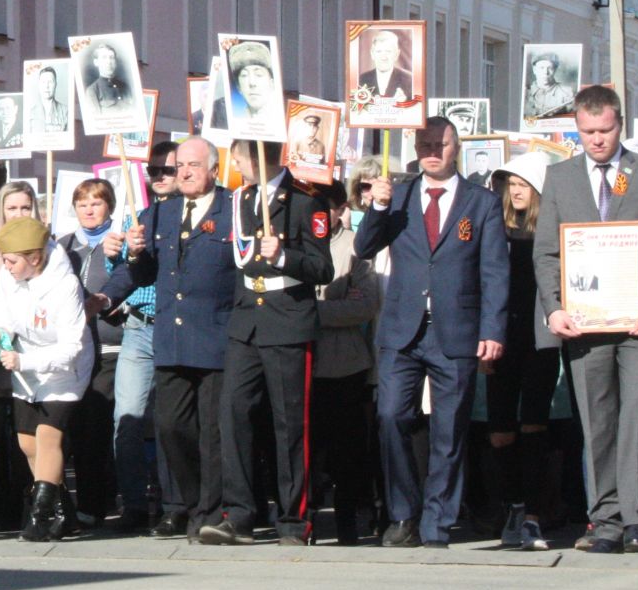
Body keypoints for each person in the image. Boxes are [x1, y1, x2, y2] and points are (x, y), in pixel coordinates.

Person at [534, 84, 638, 553]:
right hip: (586, 325)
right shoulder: (560, 177)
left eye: (605, 130)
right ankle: (606, 520)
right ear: (576, 130)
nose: (597, 140)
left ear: (621, 124)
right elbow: (546, 253)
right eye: (587, 132)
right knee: (598, 420)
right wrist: (554, 308)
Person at [356, 116, 508, 548]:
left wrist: (492, 329)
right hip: (402, 329)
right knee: (390, 417)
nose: (432, 150)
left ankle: (436, 520)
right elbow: (365, 247)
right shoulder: (398, 194)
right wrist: (379, 207)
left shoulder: (481, 202)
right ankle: (403, 513)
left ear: (455, 147)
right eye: (424, 143)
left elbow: (495, 271)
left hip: (456, 331)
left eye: (440, 143)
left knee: (449, 430)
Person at [101, 138, 235, 542]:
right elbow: (142, 274)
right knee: (170, 426)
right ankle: (186, 502)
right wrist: (129, 264)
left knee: (210, 432)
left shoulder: (234, 208)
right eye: (180, 166)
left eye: (194, 165)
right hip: (171, 336)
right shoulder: (159, 213)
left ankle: (207, 513)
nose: (185, 172)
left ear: (213, 169)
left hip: (215, 334)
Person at [208, 139, 333, 544]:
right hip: (247, 320)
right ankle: (239, 513)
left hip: (287, 318)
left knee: (289, 423)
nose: (237, 165)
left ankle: (295, 520)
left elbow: (322, 268)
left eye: (240, 157)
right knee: (234, 414)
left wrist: (283, 256)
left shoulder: (304, 200)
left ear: (260, 157)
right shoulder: (240, 199)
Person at [0, 213, 92, 541]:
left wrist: (26, 360)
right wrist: (0, 334)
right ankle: (65, 512)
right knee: (27, 443)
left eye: (13, 261)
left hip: (62, 370)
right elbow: (5, 312)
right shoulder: (9, 276)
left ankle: (41, 514)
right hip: (25, 367)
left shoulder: (65, 286)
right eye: (4, 260)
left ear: (35, 258)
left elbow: (71, 346)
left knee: (48, 438)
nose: (7, 267)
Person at [485, 151, 557, 551]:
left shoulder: (549, 232)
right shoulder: (496, 231)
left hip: (539, 339)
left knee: (533, 424)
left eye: (522, 185)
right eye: (510, 184)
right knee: (499, 430)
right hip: (500, 338)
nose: (515, 192)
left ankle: (532, 513)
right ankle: (511, 504)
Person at [310, 181, 379, 545]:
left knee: (347, 453)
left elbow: (365, 304)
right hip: (301, 362)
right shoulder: (294, 239)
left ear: (340, 209)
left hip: (344, 364)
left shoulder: (355, 246)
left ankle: (348, 521)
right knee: (306, 451)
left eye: (326, 208)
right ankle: (303, 519)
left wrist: (314, 311)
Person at [61, 178, 120, 528]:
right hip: (75, 349)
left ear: (109, 206)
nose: (88, 209)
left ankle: (98, 500)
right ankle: (86, 500)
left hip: (110, 347)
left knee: (100, 426)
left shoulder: (118, 242)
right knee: (80, 427)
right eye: (82, 203)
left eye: (95, 203)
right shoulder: (65, 245)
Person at [226, 41, 280, 134]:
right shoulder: (236, 123)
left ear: (272, 84)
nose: (252, 83)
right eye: (244, 75)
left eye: (258, 74)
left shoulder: (280, 123)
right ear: (239, 87)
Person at [361, 27, 418, 106]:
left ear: (396, 54)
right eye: (379, 51)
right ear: (372, 54)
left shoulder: (410, 80)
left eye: (388, 51)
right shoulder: (361, 80)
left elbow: (416, 110)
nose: (383, 57)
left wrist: (403, 104)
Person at [83, 41, 134, 118]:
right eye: (104, 57)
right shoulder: (92, 90)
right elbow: (95, 120)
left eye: (111, 58)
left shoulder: (125, 87)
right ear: (96, 62)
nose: (109, 62)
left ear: (115, 62)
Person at [524, 53, 576, 122]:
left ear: (555, 70)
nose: (545, 72)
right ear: (534, 70)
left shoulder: (567, 93)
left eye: (550, 68)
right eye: (541, 68)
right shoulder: (525, 93)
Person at [33, 65, 69, 132]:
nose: (46, 86)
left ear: (55, 84)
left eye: (50, 82)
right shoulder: (30, 113)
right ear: (39, 85)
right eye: (43, 82)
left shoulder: (66, 112)